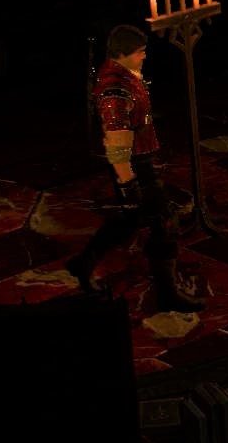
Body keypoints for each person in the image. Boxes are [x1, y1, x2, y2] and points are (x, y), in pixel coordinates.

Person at [67, 25, 204, 312]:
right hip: (134, 166)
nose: (144, 57)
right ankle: (167, 293)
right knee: (164, 221)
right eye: (140, 52)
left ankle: (84, 263)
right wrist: (129, 186)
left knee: (131, 221)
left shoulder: (125, 77)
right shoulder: (115, 89)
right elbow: (117, 143)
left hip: (139, 160)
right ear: (123, 53)